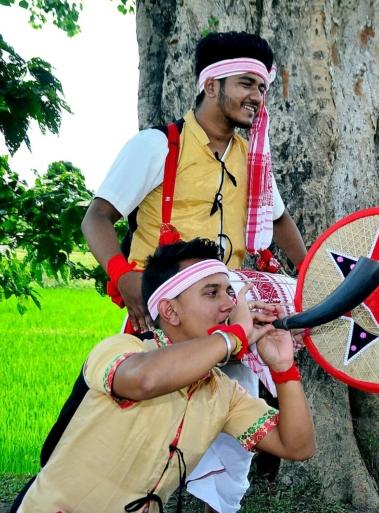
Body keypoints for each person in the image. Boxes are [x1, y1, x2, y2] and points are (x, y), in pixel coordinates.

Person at [77, 31, 307, 512]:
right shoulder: (156, 146)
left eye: (262, 88)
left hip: (227, 305)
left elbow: (279, 218)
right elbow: (95, 217)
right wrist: (123, 277)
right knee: (142, 426)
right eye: (246, 83)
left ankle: (209, 501)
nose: (255, 97)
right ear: (210, 85)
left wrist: (311, 273)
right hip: (168, 312)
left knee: (225, 413)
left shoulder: (251, 157)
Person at [14, 238, 315, 513]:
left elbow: (297, 446)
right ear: (170, 312)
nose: (230, 305)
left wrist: (282, 366)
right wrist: (234, 335)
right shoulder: (123, 349)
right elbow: (145, 380)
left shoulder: (222, 392)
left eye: (230, 293)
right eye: (212, 293)